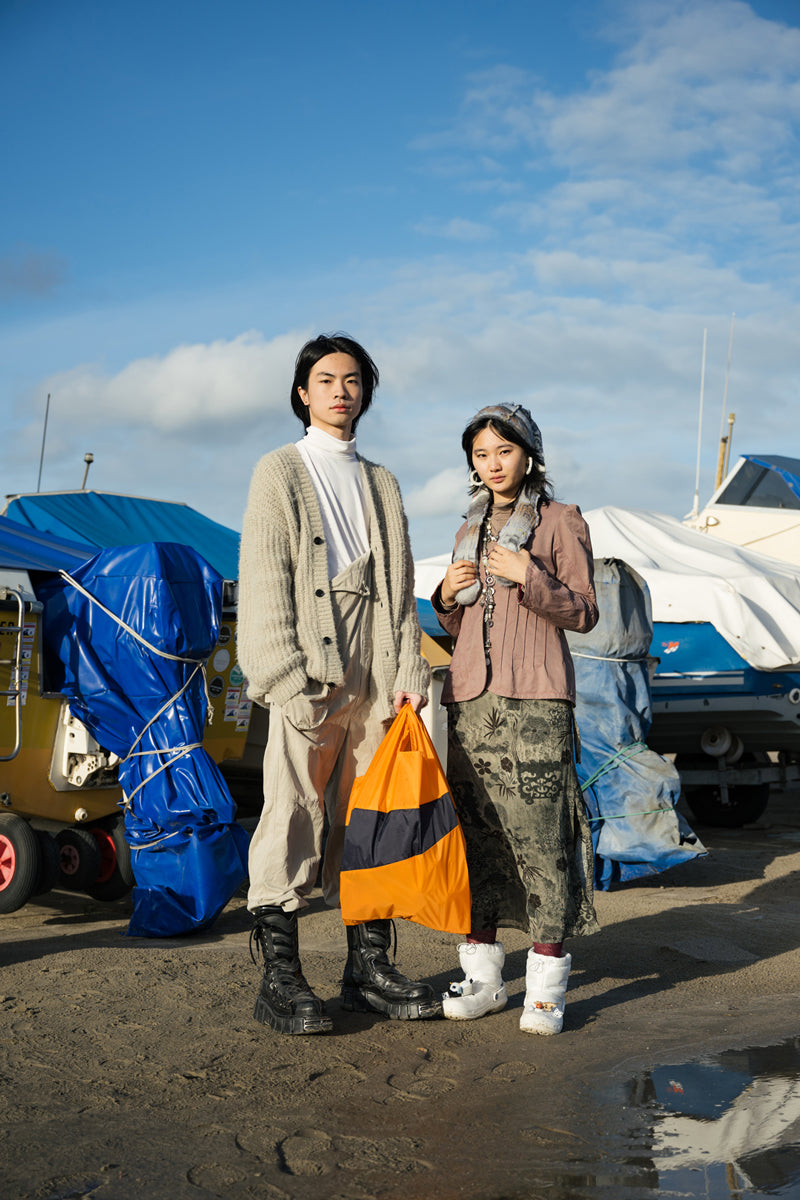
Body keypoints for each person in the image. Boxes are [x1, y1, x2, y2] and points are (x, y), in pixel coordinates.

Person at [237, 332, 440, 1036]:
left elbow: (402, 584)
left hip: (379, 664)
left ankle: (368, 969)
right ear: (303, 391)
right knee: (290, 807)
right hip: (310, 662)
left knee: (373, 816)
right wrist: (280, 675)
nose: (340, 391)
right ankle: (281, 979)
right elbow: (265, 579)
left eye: (352, 380)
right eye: (326, 379)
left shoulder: (382, 481)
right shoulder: (280, 470)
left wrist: (411, 668)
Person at [431, 402, 599, 1035]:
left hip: (536, 703)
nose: (492, 463)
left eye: (504, 450)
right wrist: (446, 597)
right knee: (475, 838)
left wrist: (529, 573)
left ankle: (547, 981)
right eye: (481, 454)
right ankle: (483, 977)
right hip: (471, 701)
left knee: (541, 838)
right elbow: (460, 627)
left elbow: (583, 612)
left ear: (529, 454)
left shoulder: (560, 522)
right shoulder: (466, 529)